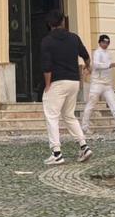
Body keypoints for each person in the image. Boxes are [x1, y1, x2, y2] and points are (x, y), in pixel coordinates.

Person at [39, 8, 93, 166]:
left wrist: (48, 84)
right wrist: (87, 67)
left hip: (57, 82)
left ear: (49, 24)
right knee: (69, 115)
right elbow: (85, 55)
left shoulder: (47, 41)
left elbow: (46, 65)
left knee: (52, 117)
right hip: (74, 82)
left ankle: (56, 153)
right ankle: (84, 147)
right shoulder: (74, 38)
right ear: (63, 21)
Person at [81, 34, 115, 136]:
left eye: (107, 42)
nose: (106, 44)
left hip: (107, 85)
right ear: (100, 42)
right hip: (97, 83)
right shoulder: (97, 53)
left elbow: (108, 68)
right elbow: (96, 65)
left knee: (114, 105)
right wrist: (109, 65)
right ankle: (84, 127)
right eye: (104, 42)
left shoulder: (108, 53)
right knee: (91, 105)